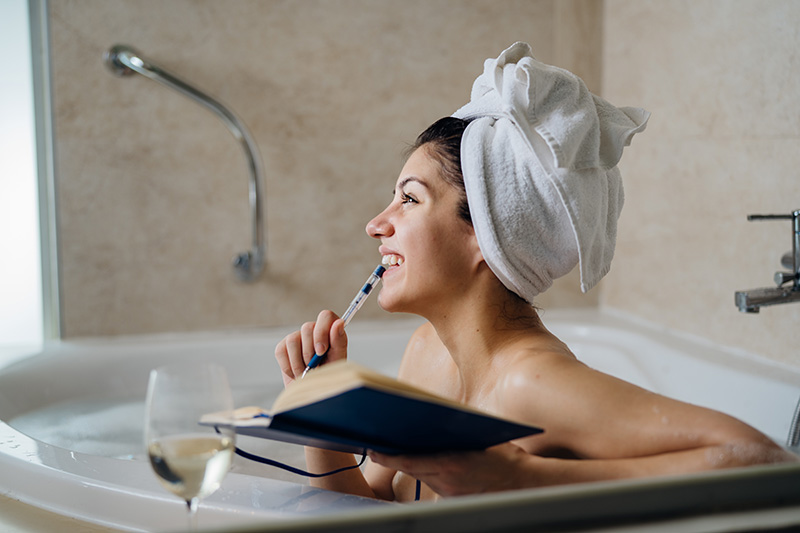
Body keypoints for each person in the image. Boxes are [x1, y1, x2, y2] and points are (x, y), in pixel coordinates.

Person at [274, 43, 797, 502]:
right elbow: (377, 508)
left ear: (487, 231)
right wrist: (321, 421)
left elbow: (764, 461)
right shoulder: (425, 353)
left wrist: (522, 478)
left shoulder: (532, 381)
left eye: (409, 199)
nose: (375, 224)